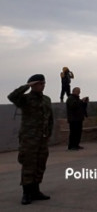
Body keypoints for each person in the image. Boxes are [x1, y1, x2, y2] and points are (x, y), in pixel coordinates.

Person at [7, 74, 53, 205]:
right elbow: (11, 97)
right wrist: (27, 86)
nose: (42, 85)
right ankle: (26, 193)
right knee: (28, 165)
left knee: (40, 164)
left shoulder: (46, 99)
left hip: (42, 139)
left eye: (44, 83)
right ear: (33, 85)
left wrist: (48, 133)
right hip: (29, 138)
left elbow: (50, 118)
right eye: (39, 83)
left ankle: (36, 191)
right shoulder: (25, 99)